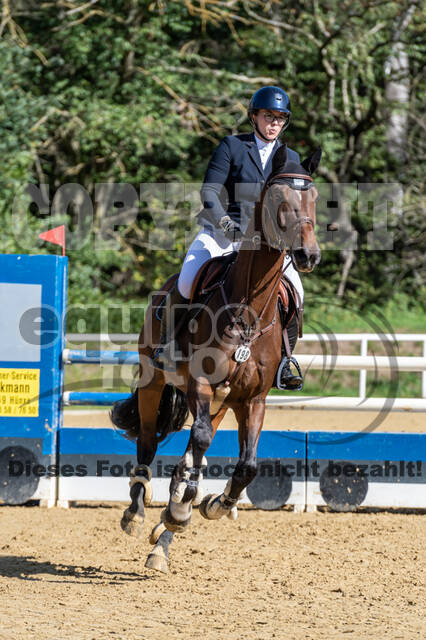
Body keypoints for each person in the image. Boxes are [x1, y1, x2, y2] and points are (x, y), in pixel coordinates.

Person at [151, 85, 303, 389]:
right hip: (223, 232)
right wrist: (223, 222)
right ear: (254, 117)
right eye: (268, 116)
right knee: (186, 278)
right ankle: (167, 345)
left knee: (297, 294)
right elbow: (210, 190)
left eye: (280, 118)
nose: (274, 123)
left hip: (266, 244)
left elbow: (296, 202)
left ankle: (285, 361)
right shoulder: (232, 146)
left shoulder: (291, 157)